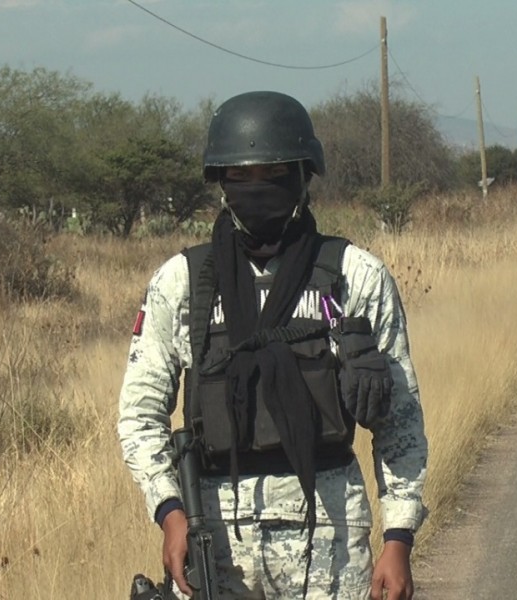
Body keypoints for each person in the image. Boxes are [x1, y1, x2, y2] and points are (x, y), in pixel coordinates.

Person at [118, 90, 428, 600]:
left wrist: (398, 536)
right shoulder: (182, 283)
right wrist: (170, 511)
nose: (257, 189)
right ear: (221, 183)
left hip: (330, 533)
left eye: (275, 174)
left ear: (304, 177)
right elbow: (139, 414)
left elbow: (401, 421)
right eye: (241, 176)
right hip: (214, 534)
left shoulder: (355, 277)